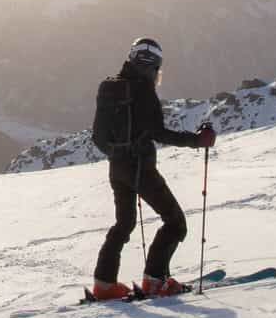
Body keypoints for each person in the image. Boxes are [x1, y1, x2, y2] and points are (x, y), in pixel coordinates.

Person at [92, 37, 215, 299]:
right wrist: (197, 141)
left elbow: (98, 138)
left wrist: (119, 155)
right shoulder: (145, 92)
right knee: (175, 222)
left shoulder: (108, 88)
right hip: (142, 170)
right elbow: (159, 133)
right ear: (156, 67)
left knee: (123, 225)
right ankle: (156, 280)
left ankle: (104, 284)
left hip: (117, 169)